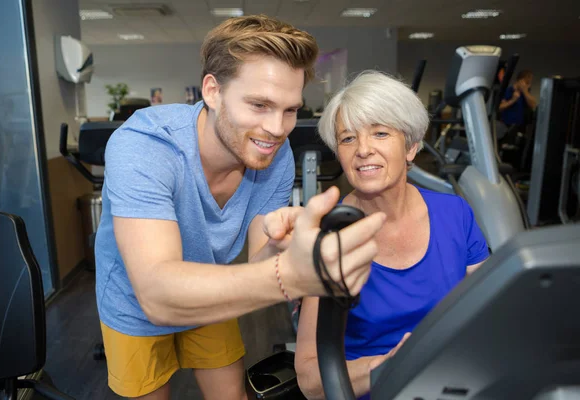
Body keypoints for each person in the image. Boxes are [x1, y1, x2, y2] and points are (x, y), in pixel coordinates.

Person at [94, 15, 387, 400]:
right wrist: (291, 276)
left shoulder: (274, 154)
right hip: (135, 299)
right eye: (260, 105)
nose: (277, 127)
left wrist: (285, 245)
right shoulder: (145, 146)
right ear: (212, 91)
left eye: (289, 109)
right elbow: (158, 295)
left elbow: (257, 262)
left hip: (209, 282)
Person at [294, 70, 490, 400]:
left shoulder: (456, 214)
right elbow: (311, 378)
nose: (363, 149)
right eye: (348, 138)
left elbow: (491, 312)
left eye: (380, 133)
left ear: (412, 147)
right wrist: (388, 365)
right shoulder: (328, 237)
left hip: (453, 382)